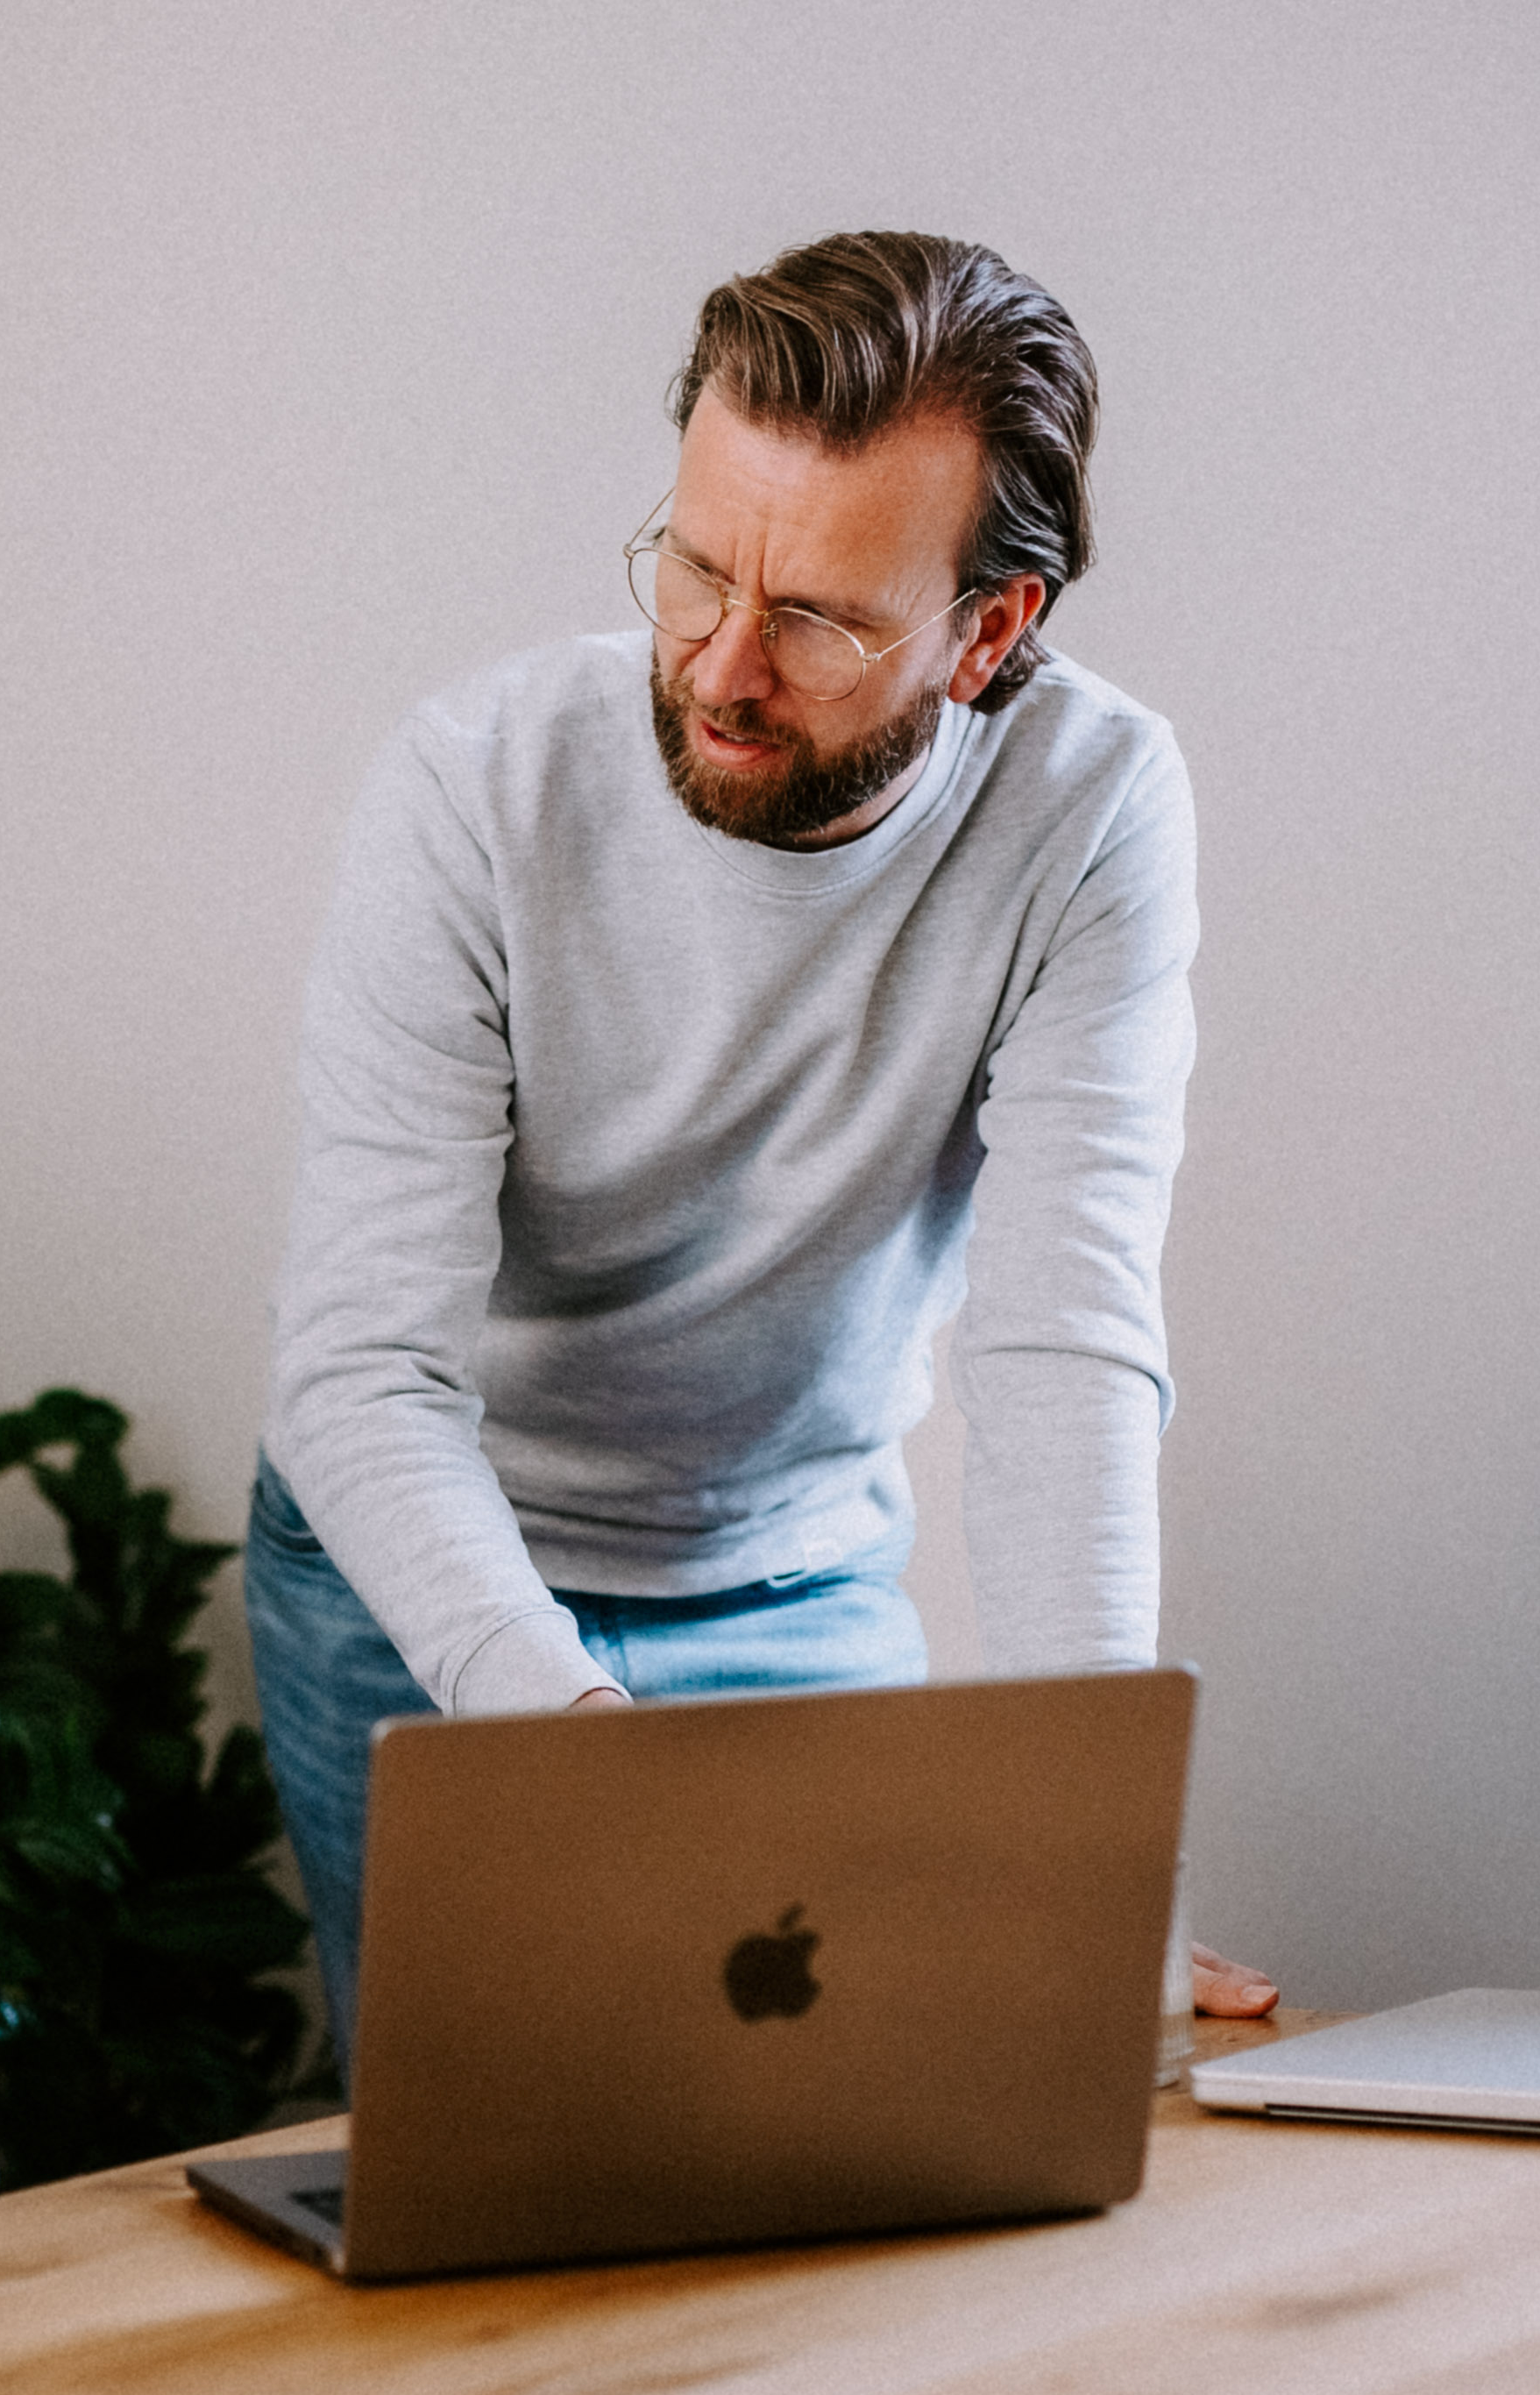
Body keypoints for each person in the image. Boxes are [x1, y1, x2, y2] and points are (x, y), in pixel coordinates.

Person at [252, 228, 1268, 2052]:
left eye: (818, 616)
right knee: (473, 2150)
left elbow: (1062, 1353)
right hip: (422, 1563)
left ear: (987, 632)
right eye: (696, 567)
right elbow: (361, 1376)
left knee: (851, 2122)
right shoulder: (473, 788)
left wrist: (1080, 1845)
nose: (721, 666)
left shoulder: (1094, 809)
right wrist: (576, 1758)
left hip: (789, 1575)